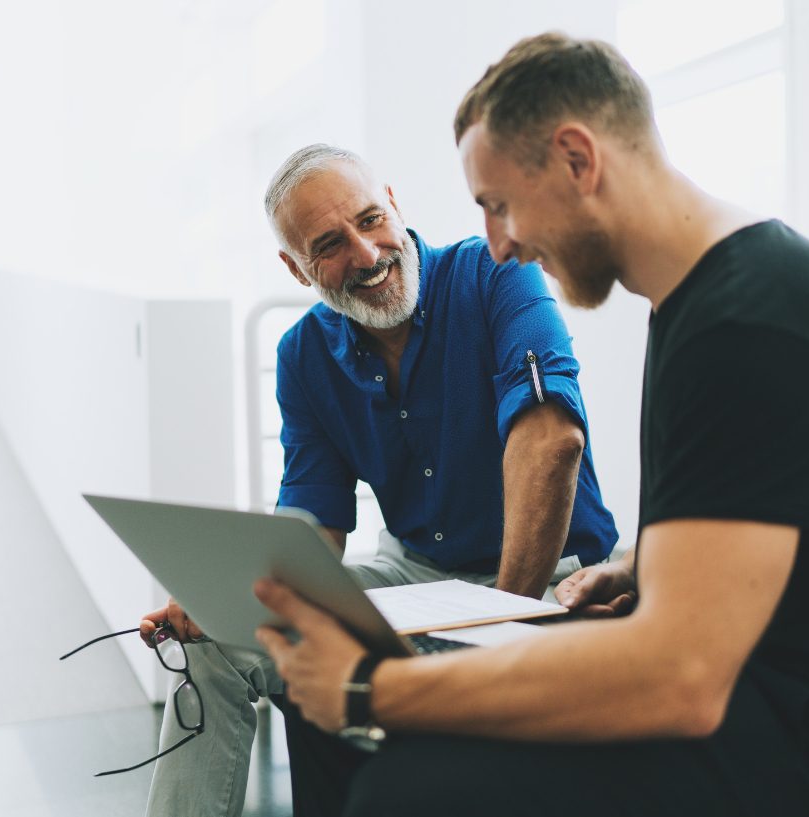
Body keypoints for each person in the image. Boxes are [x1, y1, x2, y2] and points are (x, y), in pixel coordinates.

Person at [255, 33, 809, 817]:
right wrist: (645, 565)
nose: (499, 242)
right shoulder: (698, 302)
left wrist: (376, 686)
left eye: (500, 205)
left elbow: (679, 679)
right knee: (363, 744)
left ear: (579, 160)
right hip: (749, 682)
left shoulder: (754, 322)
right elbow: (766, 508)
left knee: (404, 786)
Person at [139, 143, 618, 817]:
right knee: (215, 643)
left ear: (393, 202)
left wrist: (499, 624)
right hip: (420, 577)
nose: (365, 255)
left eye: (369, 219)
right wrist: (224, 594)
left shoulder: (496, 274)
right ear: (297, 268)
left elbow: (553, 439)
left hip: (544, 577)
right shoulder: (303, 354)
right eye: (330, 244)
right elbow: (314, 523)